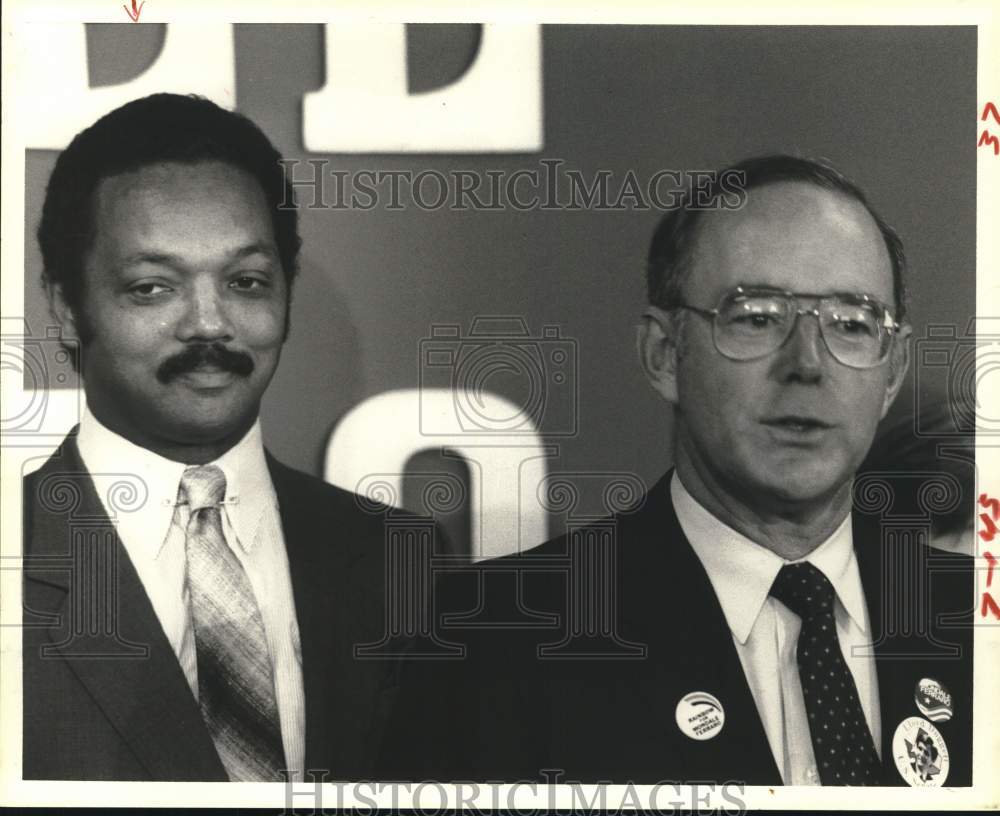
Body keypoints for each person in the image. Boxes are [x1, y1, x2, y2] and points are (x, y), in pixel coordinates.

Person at [379, 155, 974, 787]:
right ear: (664, 354)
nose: (807, 363)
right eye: (756, 317)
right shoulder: (494, 640)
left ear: (892, 371)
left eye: (851, 325)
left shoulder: (978, 619)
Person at [22, 93, 409, 781]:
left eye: (245, 281)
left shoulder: (399, 561)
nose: (209, 323)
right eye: (151, 288)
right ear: (67, 307)